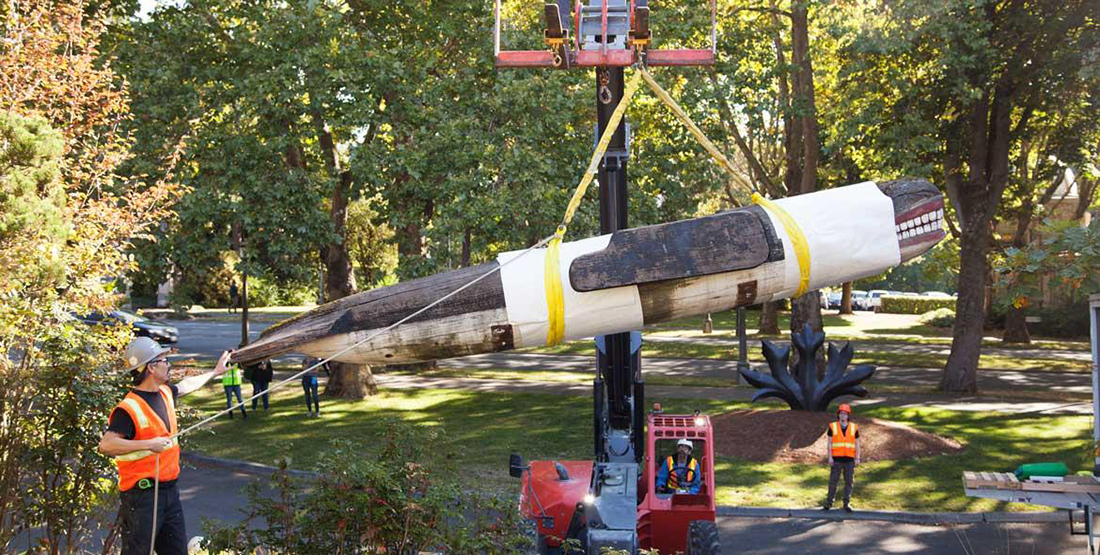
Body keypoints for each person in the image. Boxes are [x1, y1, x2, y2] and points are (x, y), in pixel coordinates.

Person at [98, 337, 232, 555]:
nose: (168, 364)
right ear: (151, 367)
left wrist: (215, 371)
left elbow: (185, 386)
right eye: (164, 360)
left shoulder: (165, 392)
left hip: (169, 492)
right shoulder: (128, 407)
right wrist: (150, 444)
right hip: (142, 496)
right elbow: (107, 444)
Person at [823, 403, 860, 512]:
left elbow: (857, 444)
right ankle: (829, 503)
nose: (843, 416)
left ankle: (846, 504)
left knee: (849, 482)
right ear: (838, 415)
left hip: (849, 460)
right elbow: (829, 443)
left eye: (845, 414)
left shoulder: (854, 427)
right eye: (841, 414)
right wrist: (830, 457)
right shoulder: (832, 426)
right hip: (836, 460)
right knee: (833, 481)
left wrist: (857, 458)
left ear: (848, 415)